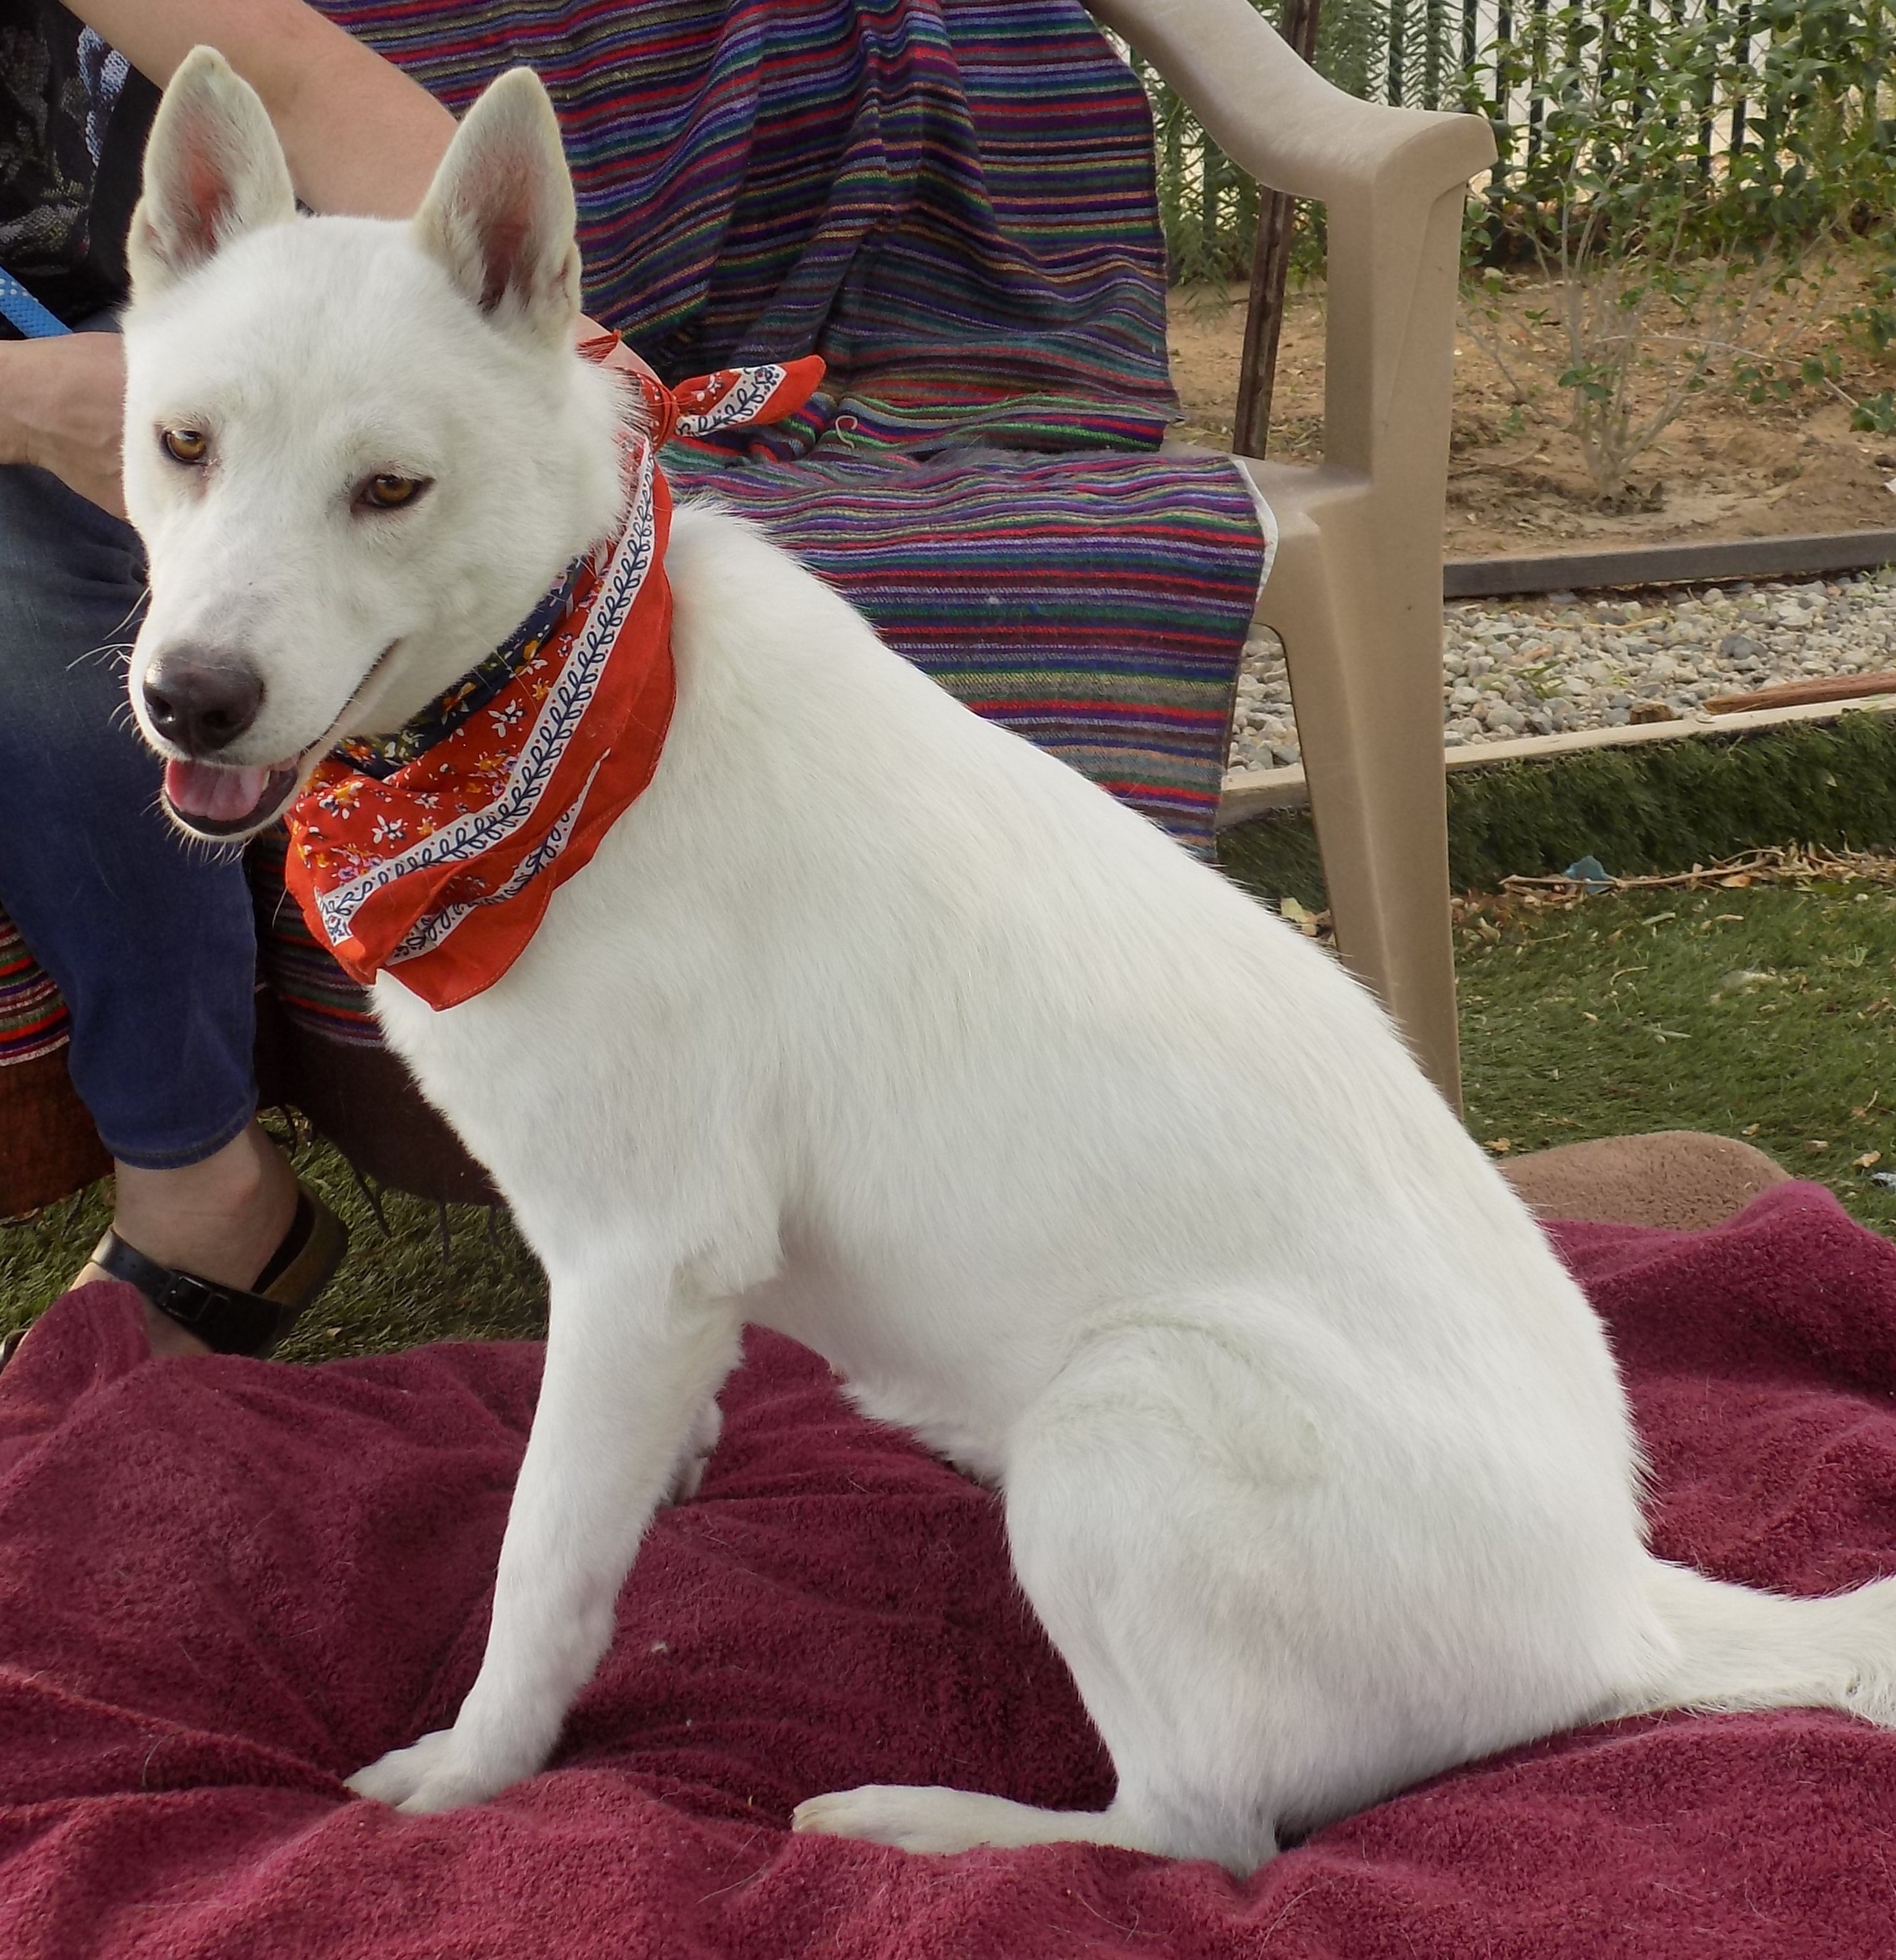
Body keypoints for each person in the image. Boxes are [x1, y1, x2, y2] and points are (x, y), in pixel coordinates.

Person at [0, 0, 470, 1359]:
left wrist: (519, 345)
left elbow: (290, 72)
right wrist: (25, 406)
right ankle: (204, 1177)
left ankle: (197, 1181)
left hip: (100, 299)